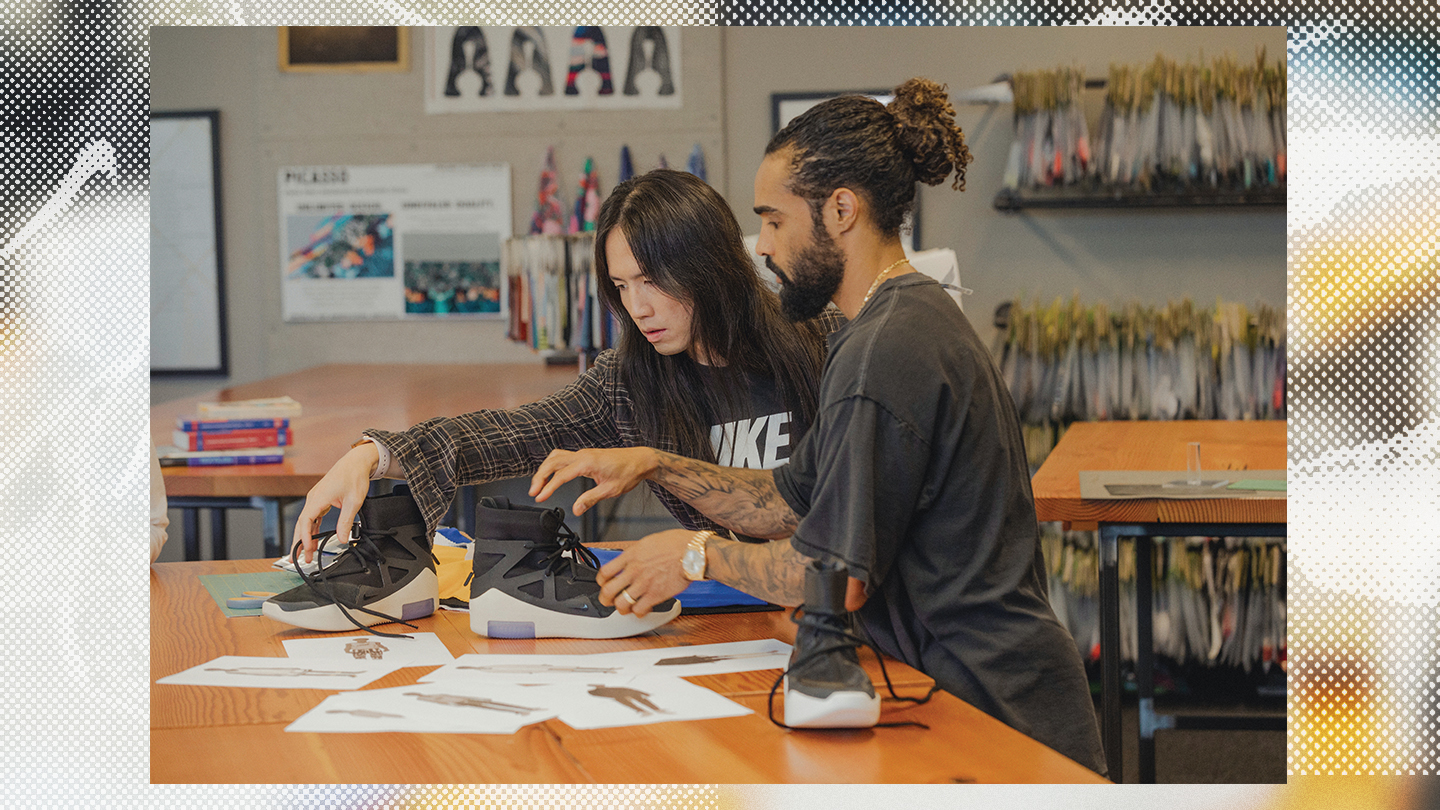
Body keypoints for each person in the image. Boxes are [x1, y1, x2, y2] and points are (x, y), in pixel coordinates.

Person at [528, 78, 1107, 775]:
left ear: (840, 210)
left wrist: (692, 555)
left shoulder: (884, 352)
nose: (763, 247)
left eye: (773, 220)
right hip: (959, 696)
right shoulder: (894, 322)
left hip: (996, 721)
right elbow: (787, 499)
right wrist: (655, 462)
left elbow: (831, 576)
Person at [291, 168, 839, 565]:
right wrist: (376, 453)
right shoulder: (629, 382)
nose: (637, 307)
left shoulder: (824, 343)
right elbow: (509, 432)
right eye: (622, 286)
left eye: (652, 280)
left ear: (710, 266)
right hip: (730, 614)